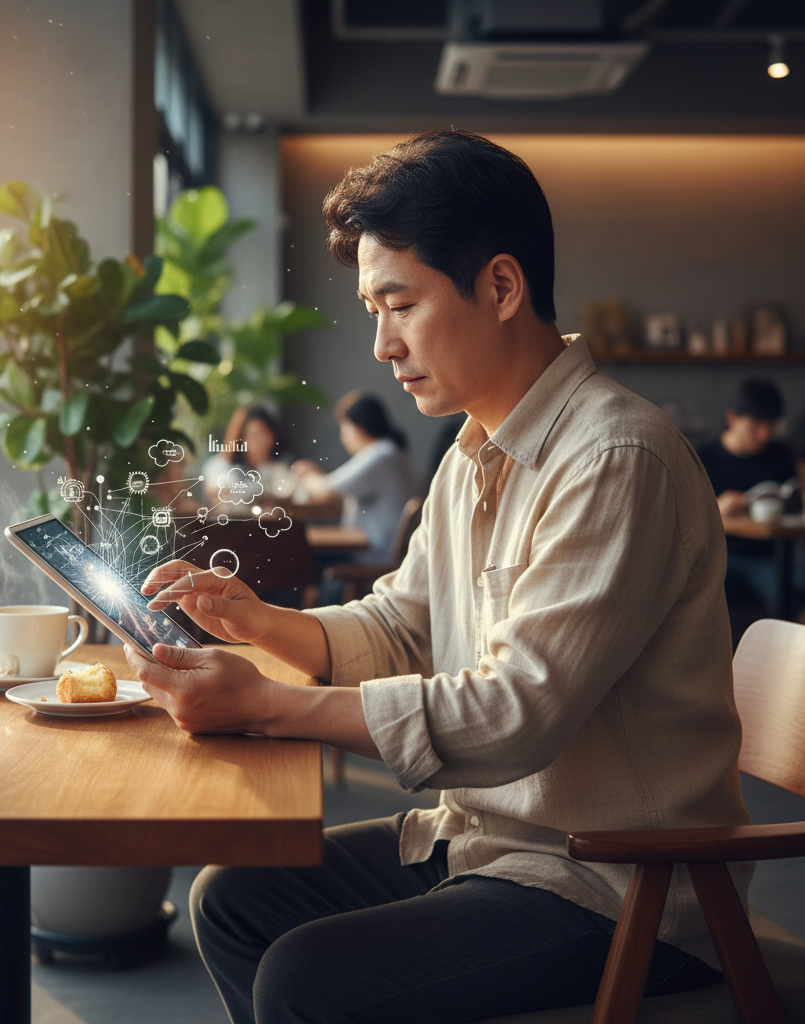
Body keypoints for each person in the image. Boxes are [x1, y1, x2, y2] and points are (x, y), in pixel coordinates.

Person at [125, 130, 745, 1023]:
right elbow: (401, 628)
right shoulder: (473, 451)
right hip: (492, 840)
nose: (381, 344)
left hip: (619, 882)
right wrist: (260, 622)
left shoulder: (616, 456)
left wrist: (265, 704)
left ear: (500, 286)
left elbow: (518, 711)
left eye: (399, 306)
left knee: (307, 976)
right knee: (232, 899)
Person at [696, 379, 795, 621]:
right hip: (721, 555)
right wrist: (717, 509)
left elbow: (793, 504)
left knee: (787, 588)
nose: (765, 433)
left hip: (773, 555)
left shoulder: (780, 454)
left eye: (771, 424)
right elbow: (684, 517)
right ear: (732, 418)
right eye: (756, 423)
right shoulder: (704, 457)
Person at [294, 392, 417, 562]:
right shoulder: (389, 452)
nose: (343, 437)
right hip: (373, 549)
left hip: (374, 555)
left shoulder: (380, 454)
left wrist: (305, 474)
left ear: (359, 426)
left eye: (345, 427)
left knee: (297, 557)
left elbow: (326, 490)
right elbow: (334, 487)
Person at [201, 405, 296, 506]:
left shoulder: (281, 468)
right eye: (252, 435)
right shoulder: (223, 468)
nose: (257, 442)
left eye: (262, 434)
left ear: (272, 437)